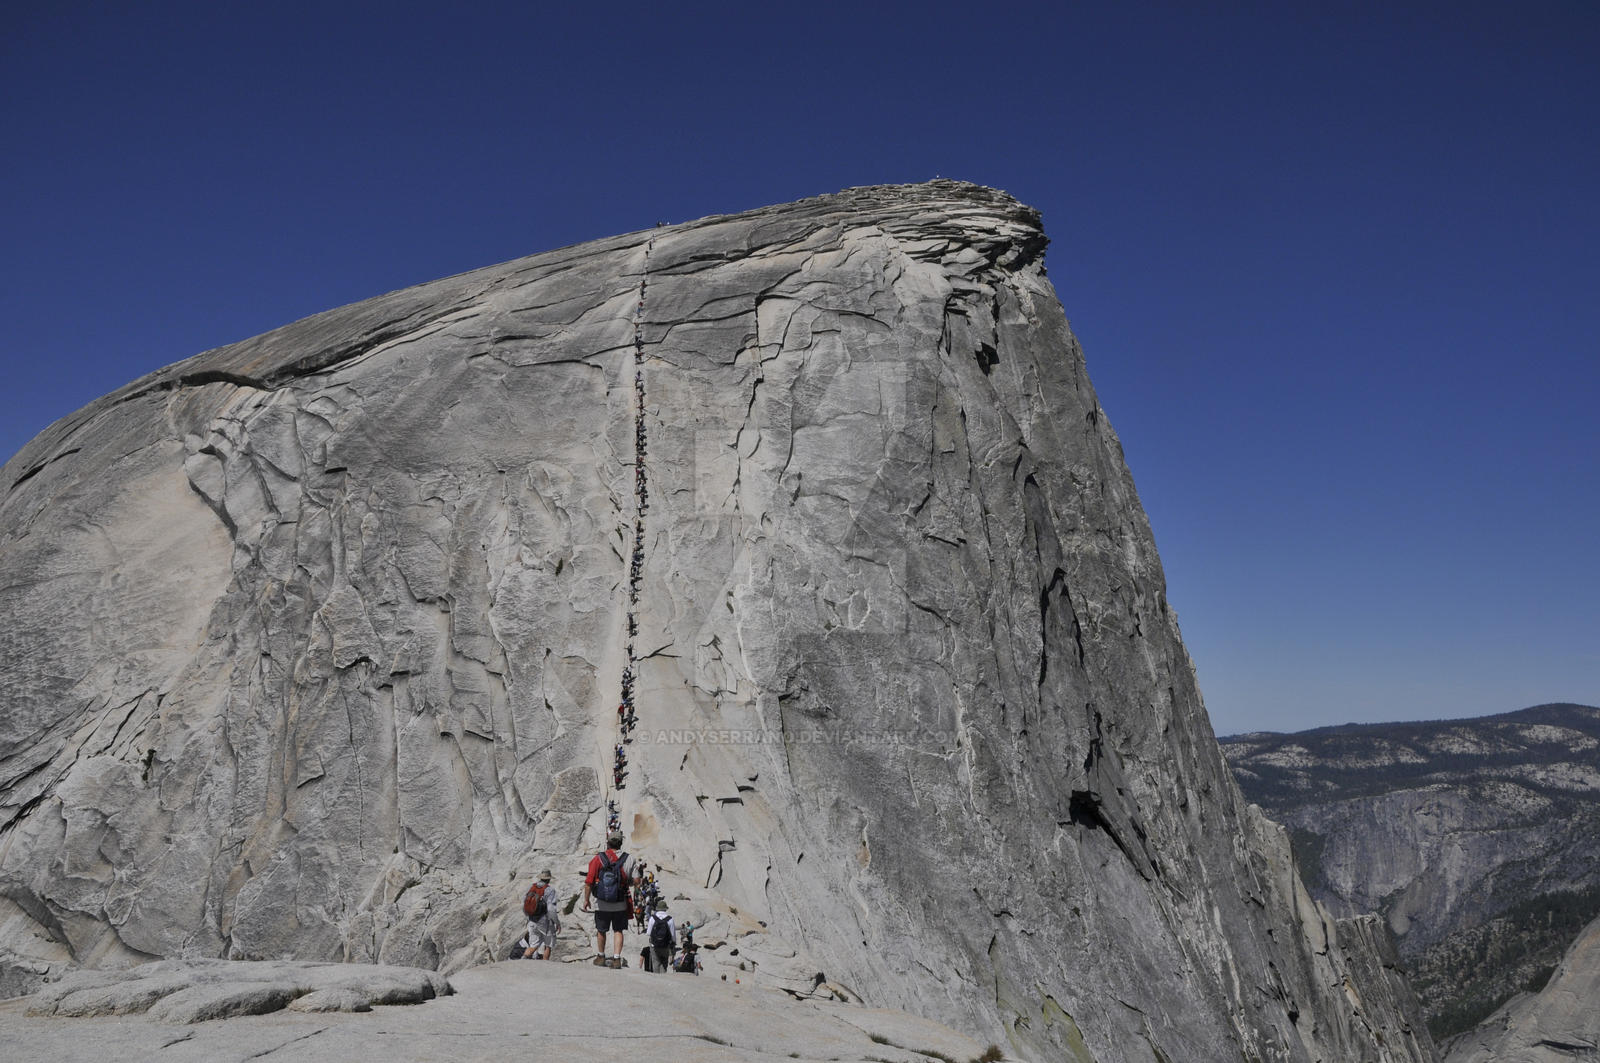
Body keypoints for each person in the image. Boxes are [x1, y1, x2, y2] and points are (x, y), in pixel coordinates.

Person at [581, 832, 635, 968]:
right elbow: (637, 881)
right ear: (621, 843)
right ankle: (617, 959)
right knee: (618, 930)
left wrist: (586, 900)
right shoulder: (629, 859)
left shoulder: (599, 859)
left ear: (608, 842)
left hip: (601, 903)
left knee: (601, 930)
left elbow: (589, 882)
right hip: (620, 902)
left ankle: (601, 957)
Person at [519, 869, 560, 960]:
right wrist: (557, 923)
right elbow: (551, 909)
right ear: (549, 879)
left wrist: (529, 917)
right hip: (545, 922)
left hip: (532, 921)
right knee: (548, 945)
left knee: (533, 946)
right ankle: (545, 966)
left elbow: (524, 904)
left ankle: (523, 960)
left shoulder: (532, 887)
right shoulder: (550, 890)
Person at [645, 899, 676, 973]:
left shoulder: (652, 918)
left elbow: (648, 933)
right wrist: (673, 943)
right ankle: (663, 977)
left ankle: (656, 980)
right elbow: (673, 935)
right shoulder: (670, 919)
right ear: (665, 908)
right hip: (665, 945)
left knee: (655, 962)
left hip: (654, 944)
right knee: (664, 963)